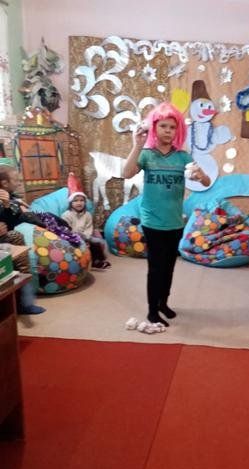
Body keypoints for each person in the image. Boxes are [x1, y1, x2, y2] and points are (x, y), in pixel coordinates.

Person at [123, 102, 210, 326]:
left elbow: (206, 181)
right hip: (152, 221)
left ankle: (163, 303)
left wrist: (200, 176)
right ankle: (152, 310)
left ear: (178, 130)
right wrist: (137, 145)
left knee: (169, 267)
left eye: (172, 127)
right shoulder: (146, 155)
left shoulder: (183, 157)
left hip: (175, 222)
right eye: (163, 126)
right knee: (156, 267)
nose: (168, 131)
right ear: (154, 127)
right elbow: (126, 173)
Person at [0, 165, 45, 314]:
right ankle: (24, 302)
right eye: (16, 180)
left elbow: (10, 223)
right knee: (16, 236)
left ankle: (25, 300)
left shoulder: (7, 196)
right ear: (4, 183)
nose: (19, 183)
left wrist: (7, 206)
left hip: (5, 238)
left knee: (16, 236)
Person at [61, 172, 111, 269]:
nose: (79, 203)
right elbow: (66, 230)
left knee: (98, 242)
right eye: (76, 201)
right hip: (72, 238)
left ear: (85, 202)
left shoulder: (87, 215)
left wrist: (86, 238)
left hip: (86, 236)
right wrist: (78, 238)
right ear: (71, 203)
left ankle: (97, 262)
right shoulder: (66, 215)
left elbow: (89, 228)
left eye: (81, 200)